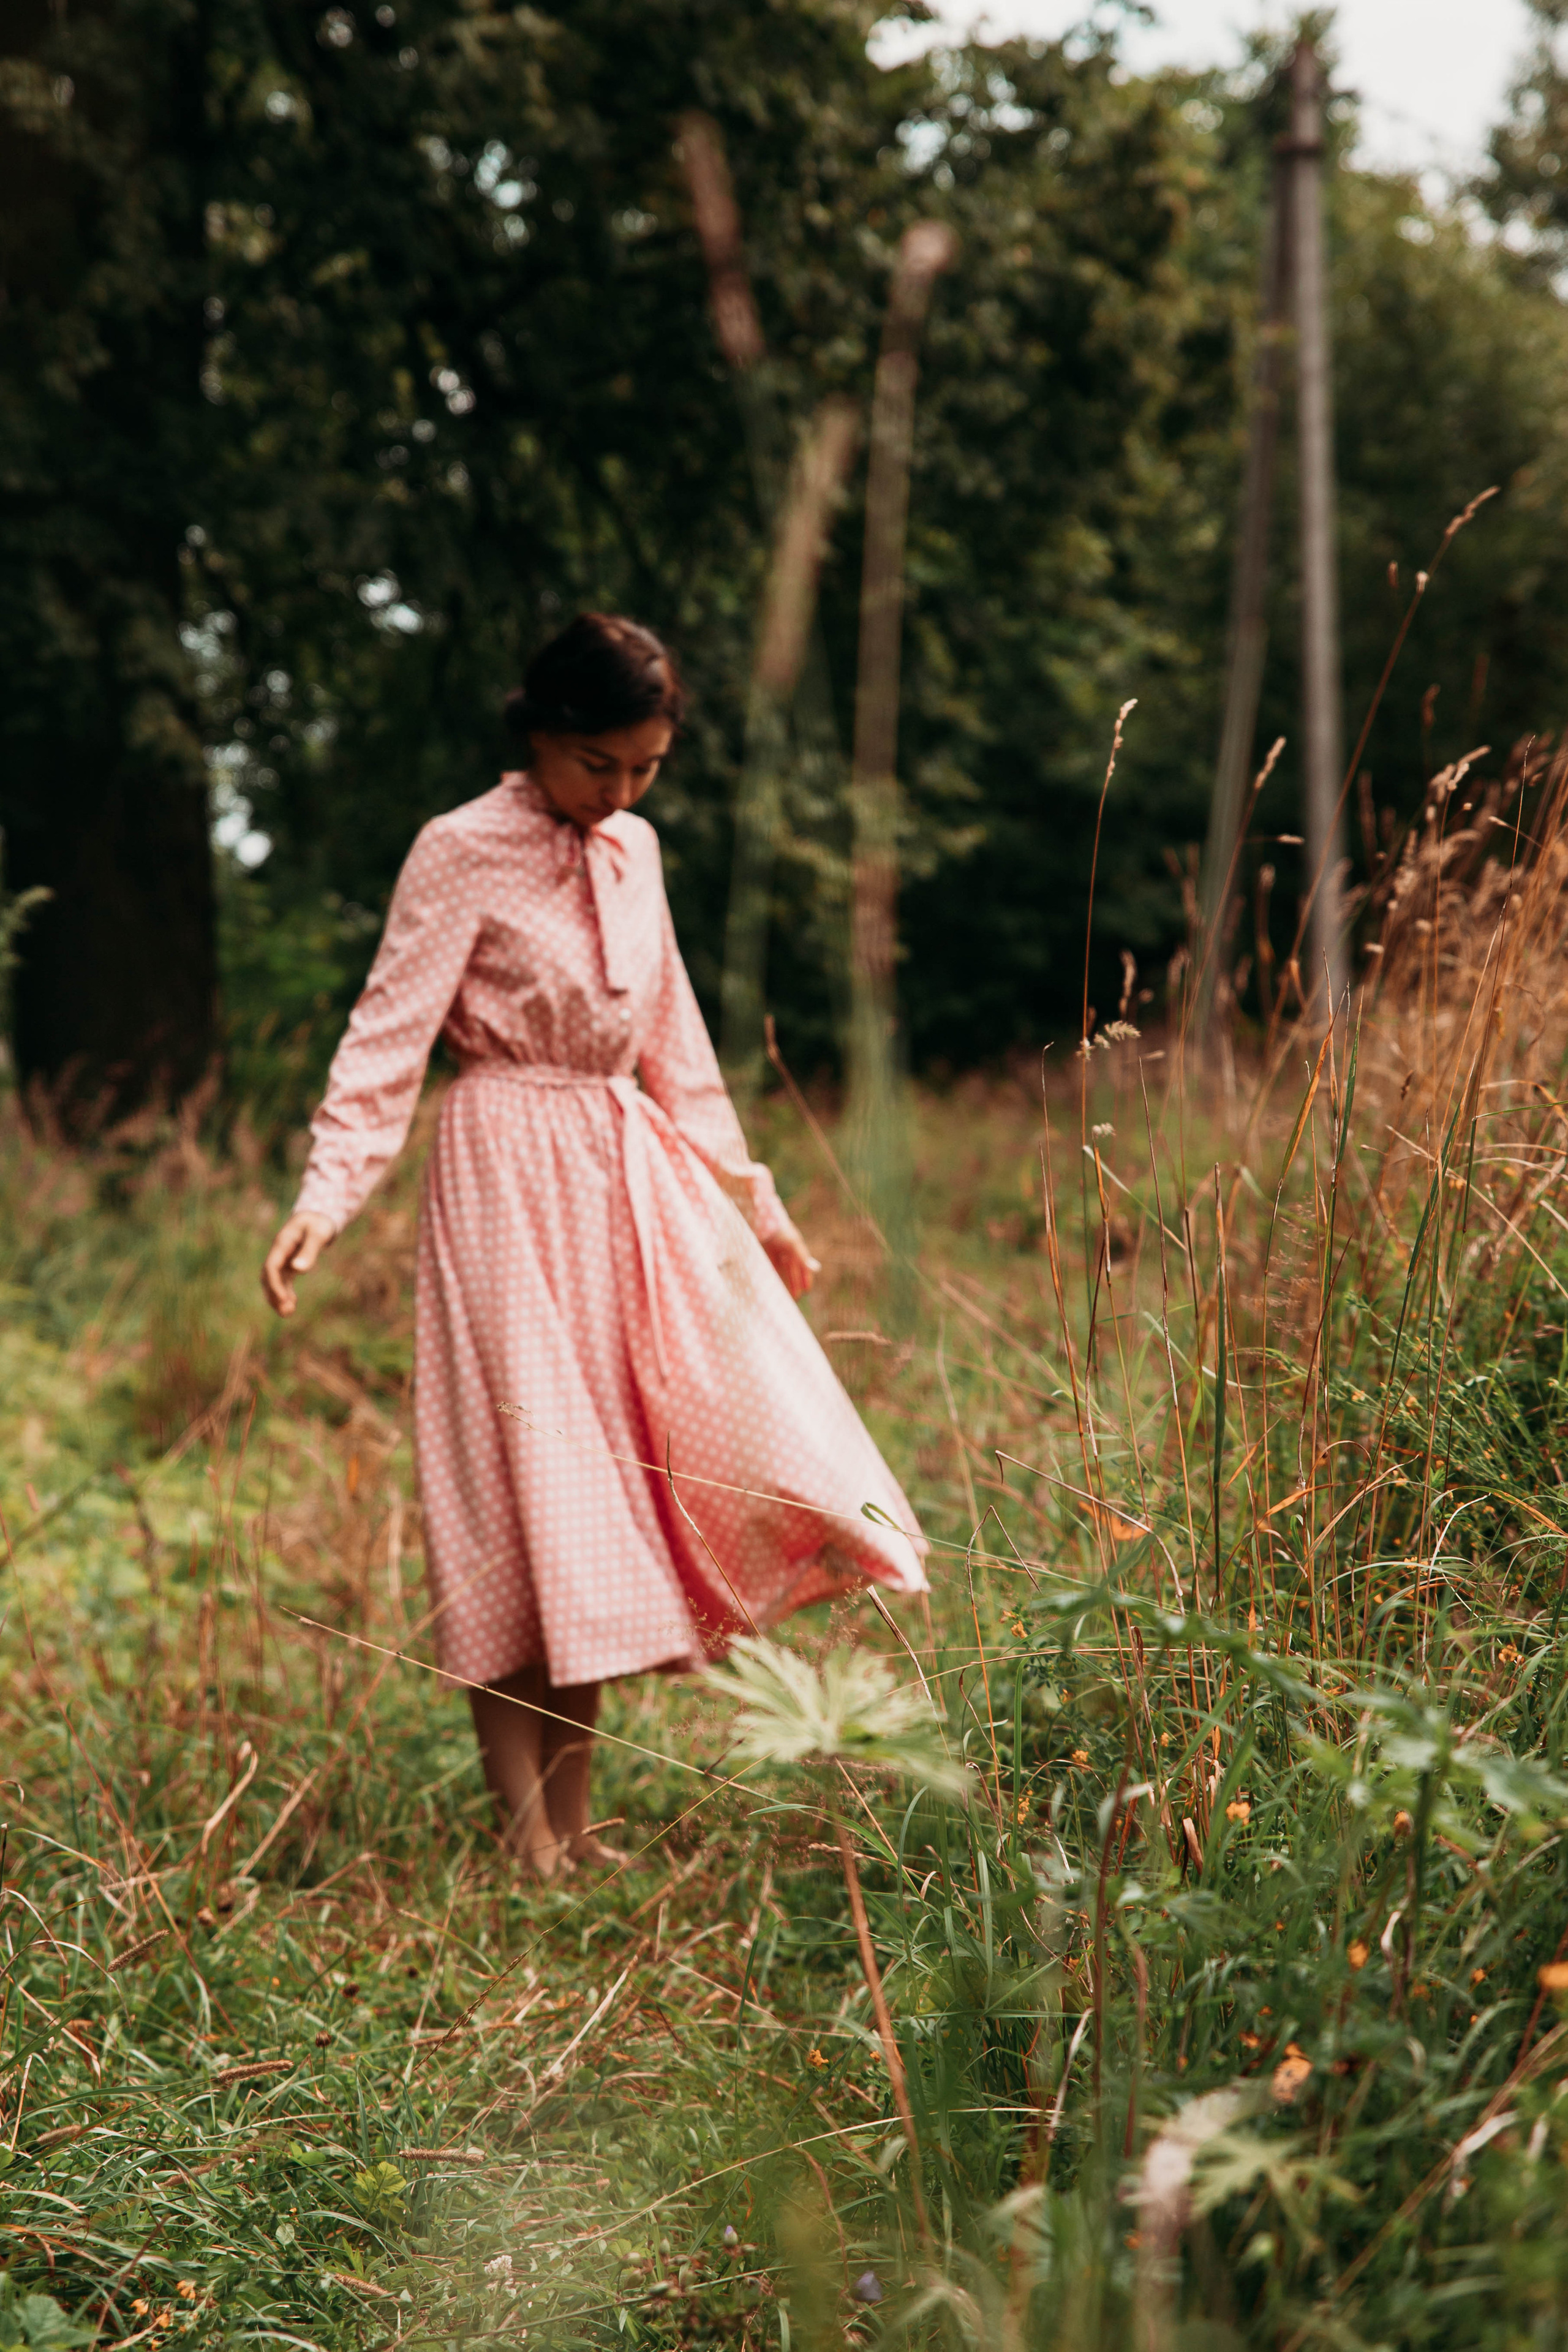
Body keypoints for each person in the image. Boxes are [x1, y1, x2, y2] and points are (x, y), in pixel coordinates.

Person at [261, 613, 928, 1877]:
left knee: (596, 1501)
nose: (617, 793)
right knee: (516, 1490)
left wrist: (757, 1205)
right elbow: (385, 1039)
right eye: (597, 765)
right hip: (503, 1178)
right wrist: (324, 1197)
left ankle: (575, 1826)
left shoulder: (635, 853)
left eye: (643, 769)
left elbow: (677, 1050)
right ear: (540, 734)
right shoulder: (459, 850)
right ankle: (524, 1837)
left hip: (624, 1187)